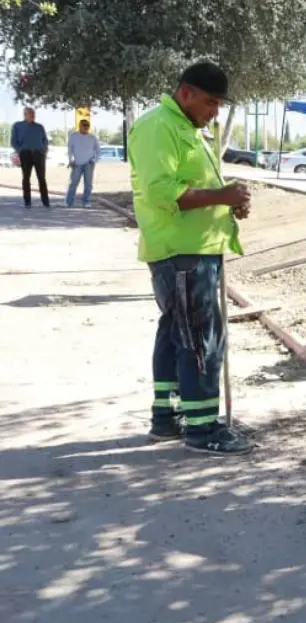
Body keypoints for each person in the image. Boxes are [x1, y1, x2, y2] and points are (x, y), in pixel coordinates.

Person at [130, 61, 253, 455]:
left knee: (177, 335)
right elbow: (162, 191)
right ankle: (202, 429)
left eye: (219, 104)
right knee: (201, 341)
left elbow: (195, 186)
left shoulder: (187, 129)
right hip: (182, 252)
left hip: (196, 249)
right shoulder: (158, 127)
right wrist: (222, 196)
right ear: (186, 92)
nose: (215, 111)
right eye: (211, 102)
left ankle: (168, 418)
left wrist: (228, 203)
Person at [10, 107, 49, 208]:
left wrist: (44, 150)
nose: (32, 116)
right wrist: (20, 150)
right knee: (26, 178)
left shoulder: (39, 127)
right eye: (30, 114)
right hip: (25, 153)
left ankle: (45, 201)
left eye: (33, 114)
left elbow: (45, 140)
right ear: (25, 114)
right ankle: (27, 201)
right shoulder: (17, 126)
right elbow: (13, 141)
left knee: (42, 178)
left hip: (39, 154)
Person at [66, 119, 100, 208]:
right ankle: (69, 201)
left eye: (87, 125)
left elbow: (98, 150)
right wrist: (70, 160)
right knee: (73, 183)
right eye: (84, 125)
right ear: (79, 126)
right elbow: (70, 149)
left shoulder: (92, 137)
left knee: (88, 184)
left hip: (89, 163)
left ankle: (86, 201)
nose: (85, 127)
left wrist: (94, 160)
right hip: (77, 163)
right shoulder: (73, 136)